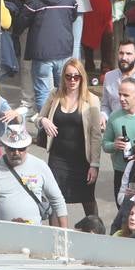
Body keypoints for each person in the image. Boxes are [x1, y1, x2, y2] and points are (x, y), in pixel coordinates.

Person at [36, 58, 102, 217]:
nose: (72, 80)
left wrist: (95, 164)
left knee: (87, 199)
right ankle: (56, 235)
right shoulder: (55, 95)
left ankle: (95, 234)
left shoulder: (91, 100)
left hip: (81, 160)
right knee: (55, 199)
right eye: (68, 76)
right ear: (63, 77)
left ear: (82, 77)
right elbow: (38, 118)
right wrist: (43, 121)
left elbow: (95, 135)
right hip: (57, 158)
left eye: (76, 76)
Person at [0, 122, 68, 226]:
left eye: (21, 149)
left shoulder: (40, 165)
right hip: (3, 234)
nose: (16, 153)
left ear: (27, 147)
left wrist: (65, 232)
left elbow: (57, 200)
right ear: (5, 147)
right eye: (12, 149)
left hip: (35, 234)